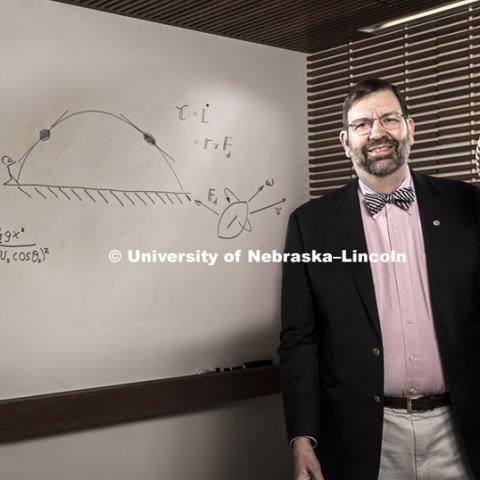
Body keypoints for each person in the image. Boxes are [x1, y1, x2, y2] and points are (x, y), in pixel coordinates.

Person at [278, 78, 480, 480]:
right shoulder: (310, 224)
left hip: (462, 427)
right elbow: (299, 339)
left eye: (390, 118)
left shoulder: (468, 203)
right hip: (364, 435)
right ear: (344, 140)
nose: (378, 132)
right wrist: (302, 437)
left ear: (411, 128)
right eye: (363, 124)